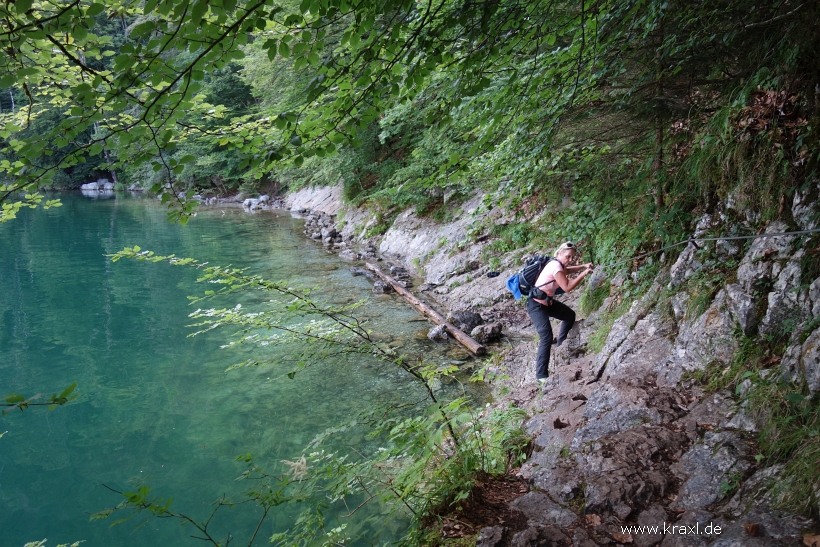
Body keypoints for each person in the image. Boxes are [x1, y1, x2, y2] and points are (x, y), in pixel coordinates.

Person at [526, 242, 594, 382]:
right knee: (546, 336)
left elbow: (566, 271)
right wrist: (584, 273)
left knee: (569, 315)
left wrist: (582, 266)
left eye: (572, 257)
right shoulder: (555, 265)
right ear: (559, 253)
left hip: (547, 302)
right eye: (568, 257)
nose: (569, 260)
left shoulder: (556, 263)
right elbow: (567, 287)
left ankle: (561, 344)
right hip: (536, 305)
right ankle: (541, 376)